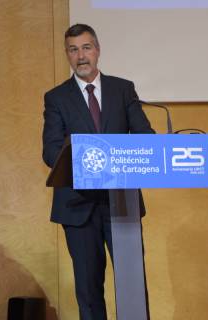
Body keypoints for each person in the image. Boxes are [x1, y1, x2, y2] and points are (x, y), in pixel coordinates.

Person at [42, 24, 154, 320]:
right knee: (89, 292)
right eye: (73, 49)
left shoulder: (123, 89)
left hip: (122, 202)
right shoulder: (56, 98)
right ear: (67, 54)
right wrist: (88, 162)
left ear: (98, 49)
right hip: (78, 205)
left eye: (86, 48)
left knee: (133, 287)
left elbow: (145, 136)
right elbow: (51, 150)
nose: (81, 56)